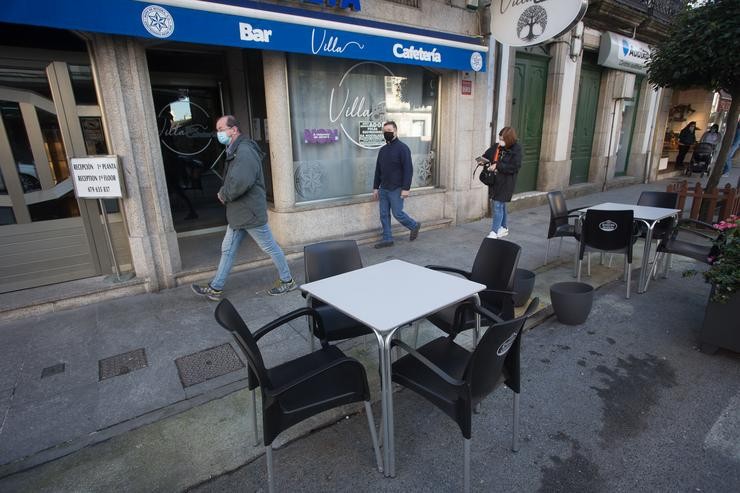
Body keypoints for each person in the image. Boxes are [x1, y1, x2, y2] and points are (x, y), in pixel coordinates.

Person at [191, 115, 296, 301]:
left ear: (234, 130)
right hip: (239, 213)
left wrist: (224, 194)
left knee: (269, 246)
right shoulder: (236, 149)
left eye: (221, 129)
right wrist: (226, 191)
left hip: (249, 212)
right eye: (217, 129)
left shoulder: (244, 151)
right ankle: (216, 287)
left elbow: (241, 181)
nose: (218, 133)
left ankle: (287, 281)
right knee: (228, 249)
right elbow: (234, 178)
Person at [372, 121, 421, 248]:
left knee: (397, 213)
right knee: (383, 214)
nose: (386, 133)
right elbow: (378, 169)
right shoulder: (382, 150)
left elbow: (408, 170)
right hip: (383, 189)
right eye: (384, 131)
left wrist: (406, 189)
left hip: (396, 188)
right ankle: (387, 238)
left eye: (389, 130)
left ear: (395, 131)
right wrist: (376, 187)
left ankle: (414, 225)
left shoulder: (403, 148)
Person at [480, 126, 521, 239]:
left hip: (507, 182)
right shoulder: (497, 146)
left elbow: (515, 167)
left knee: (498, 205)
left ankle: (494, 232)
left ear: (509, 139)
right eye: (499, 138)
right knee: (501, 205)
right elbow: (487, 155)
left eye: (502, 139)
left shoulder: (516, 149)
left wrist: (498, 166)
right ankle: (503, 227)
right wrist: (482, 160)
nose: (500, 141)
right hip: (495, 181)